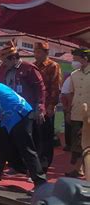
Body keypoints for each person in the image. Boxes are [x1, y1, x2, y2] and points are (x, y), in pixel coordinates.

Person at [0, 41, 47, 173]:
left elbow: (40, 89)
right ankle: (11, 167)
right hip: (8, 111)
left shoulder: (28, 68)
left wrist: (40, 107)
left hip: (25, 111)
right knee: (5, 140)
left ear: (13, 58)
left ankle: (35, 172)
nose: (3, 63)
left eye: (5, 60)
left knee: (27, 143)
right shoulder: (2, 69)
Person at [33, 42, 62, 170]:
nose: (36, 54)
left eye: (39, 52)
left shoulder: (53, 66)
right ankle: (34, 163)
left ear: (46, 53)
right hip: (34, 105)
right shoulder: (33, 66)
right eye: (35, 52)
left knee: (45, 136)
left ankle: (43, 165)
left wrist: (51, 105)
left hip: (47, 106)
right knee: (35, 135)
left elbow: (56, 87)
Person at [65, 48, 90, 177]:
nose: (74, 61)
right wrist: (69, 111)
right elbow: (71, 93)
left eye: (76, 58)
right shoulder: (74, 74)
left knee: (87, 142)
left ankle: (82, 169)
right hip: (76, 113)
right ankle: (79, 169)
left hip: (88, 115)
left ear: (85, 58)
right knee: (77, 143)